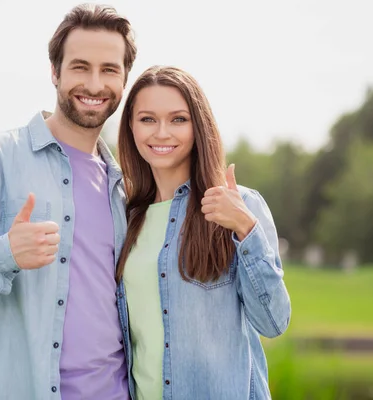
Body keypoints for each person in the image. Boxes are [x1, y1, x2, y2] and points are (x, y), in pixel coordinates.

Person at [0, 4, 137, 399]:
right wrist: (4, 255)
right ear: (54, 72)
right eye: (79, 67)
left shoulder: (123, 185)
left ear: (124, 80)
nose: (93, 84)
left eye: (109, 70)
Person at [115, 66, 292, 400]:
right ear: (131, 127)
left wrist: (245, 227)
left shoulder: (241, 206)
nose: (162, 132)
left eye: (178, 119)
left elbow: (274, 322)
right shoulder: (126, 216)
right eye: (148, 119)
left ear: (198, 126)